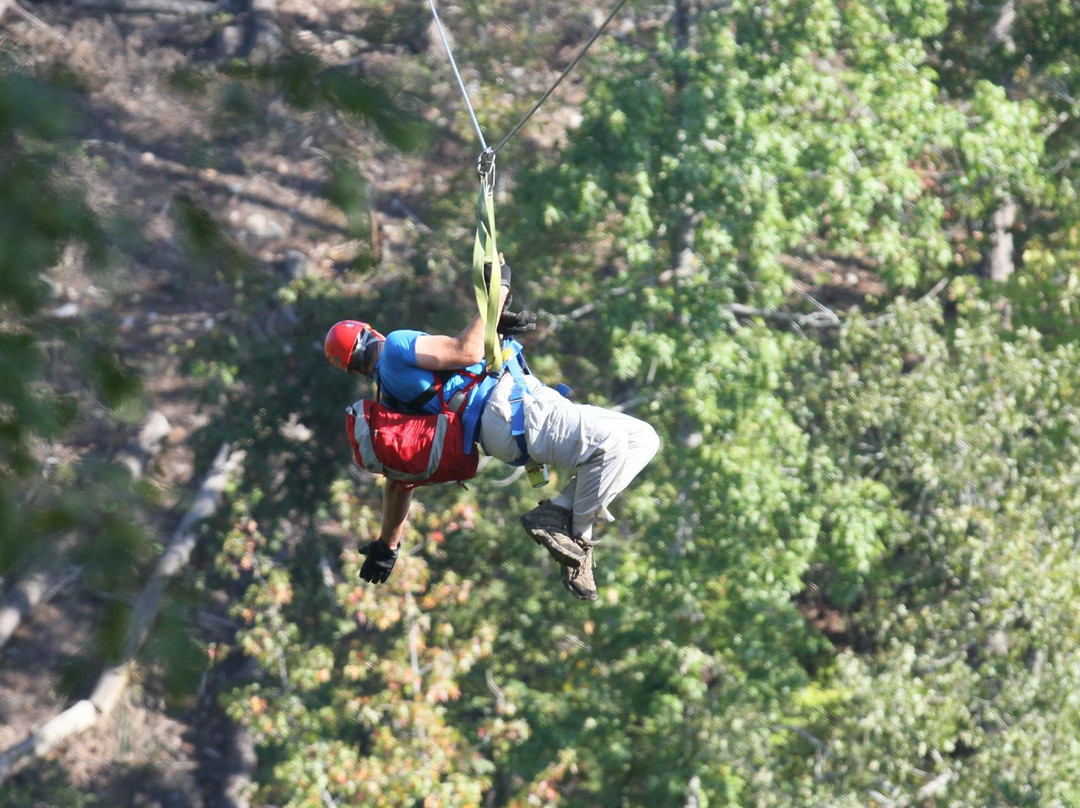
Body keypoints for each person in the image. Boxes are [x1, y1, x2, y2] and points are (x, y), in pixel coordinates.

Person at [323, 260, 659, 601]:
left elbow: (399, 484)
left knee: (643, 438)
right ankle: (577, 536)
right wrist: (500, 291)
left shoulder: (392, 403)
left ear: (353, 370)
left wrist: (388, 545)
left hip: (515, 416)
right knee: (611, 446)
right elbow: (465, 350)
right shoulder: (396, 345)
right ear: (371, 332)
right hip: (512, 412)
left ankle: (558, 513)